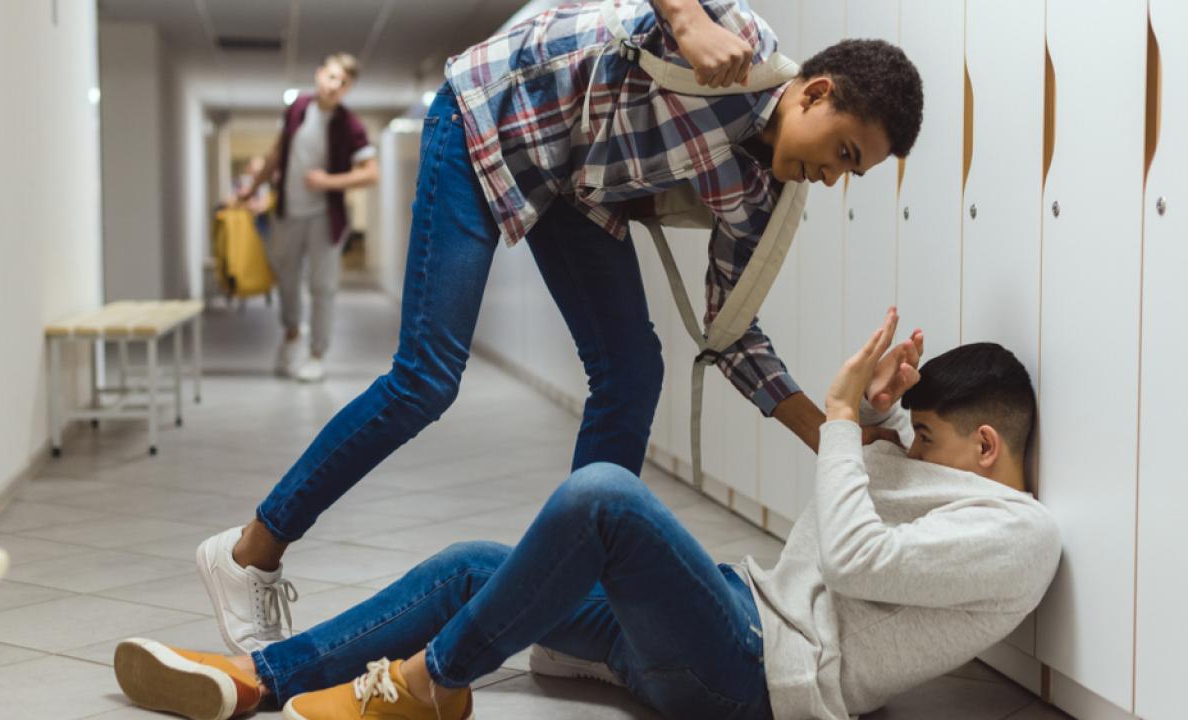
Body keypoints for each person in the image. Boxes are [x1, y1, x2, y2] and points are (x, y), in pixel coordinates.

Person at [194, 0, 925, 656]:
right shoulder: (737, 40)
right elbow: (668, 21)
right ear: (817, 93)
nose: (832, 176)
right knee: (427, 378)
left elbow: (730, 332)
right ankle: (250, 552)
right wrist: (687, 18)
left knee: (635, 373)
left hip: (572, 189)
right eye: (844, 152)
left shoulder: (763, 196)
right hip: (489, 118)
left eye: (850, 172)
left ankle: (567, 597)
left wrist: (837, 431)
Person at [115, 309, 1061, 720]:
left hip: (752, 681)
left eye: (928, 435)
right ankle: (256, 680)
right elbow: (867, 504)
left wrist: (852, 422)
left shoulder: (1018, 538)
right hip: (724, 622)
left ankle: (430, 683)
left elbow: (856, 560)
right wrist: (885, 419)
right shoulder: (936, 476)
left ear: (986, 448)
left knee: (603, 497)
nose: (910, 448)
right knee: (473, 565)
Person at [237, 53, 379, 383]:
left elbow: (372, 174)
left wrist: (328, 182)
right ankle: (291, 337)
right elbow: (276, 154)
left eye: (343, 83)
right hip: (288, 213)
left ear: (348, 89)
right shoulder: (298, 108)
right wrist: (252, 190)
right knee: (286, 279)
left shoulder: (349, 124)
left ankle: (317, 353)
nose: (334, 86)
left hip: (325, 218)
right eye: (331, 77)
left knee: (322, 286)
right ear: (318, 75)